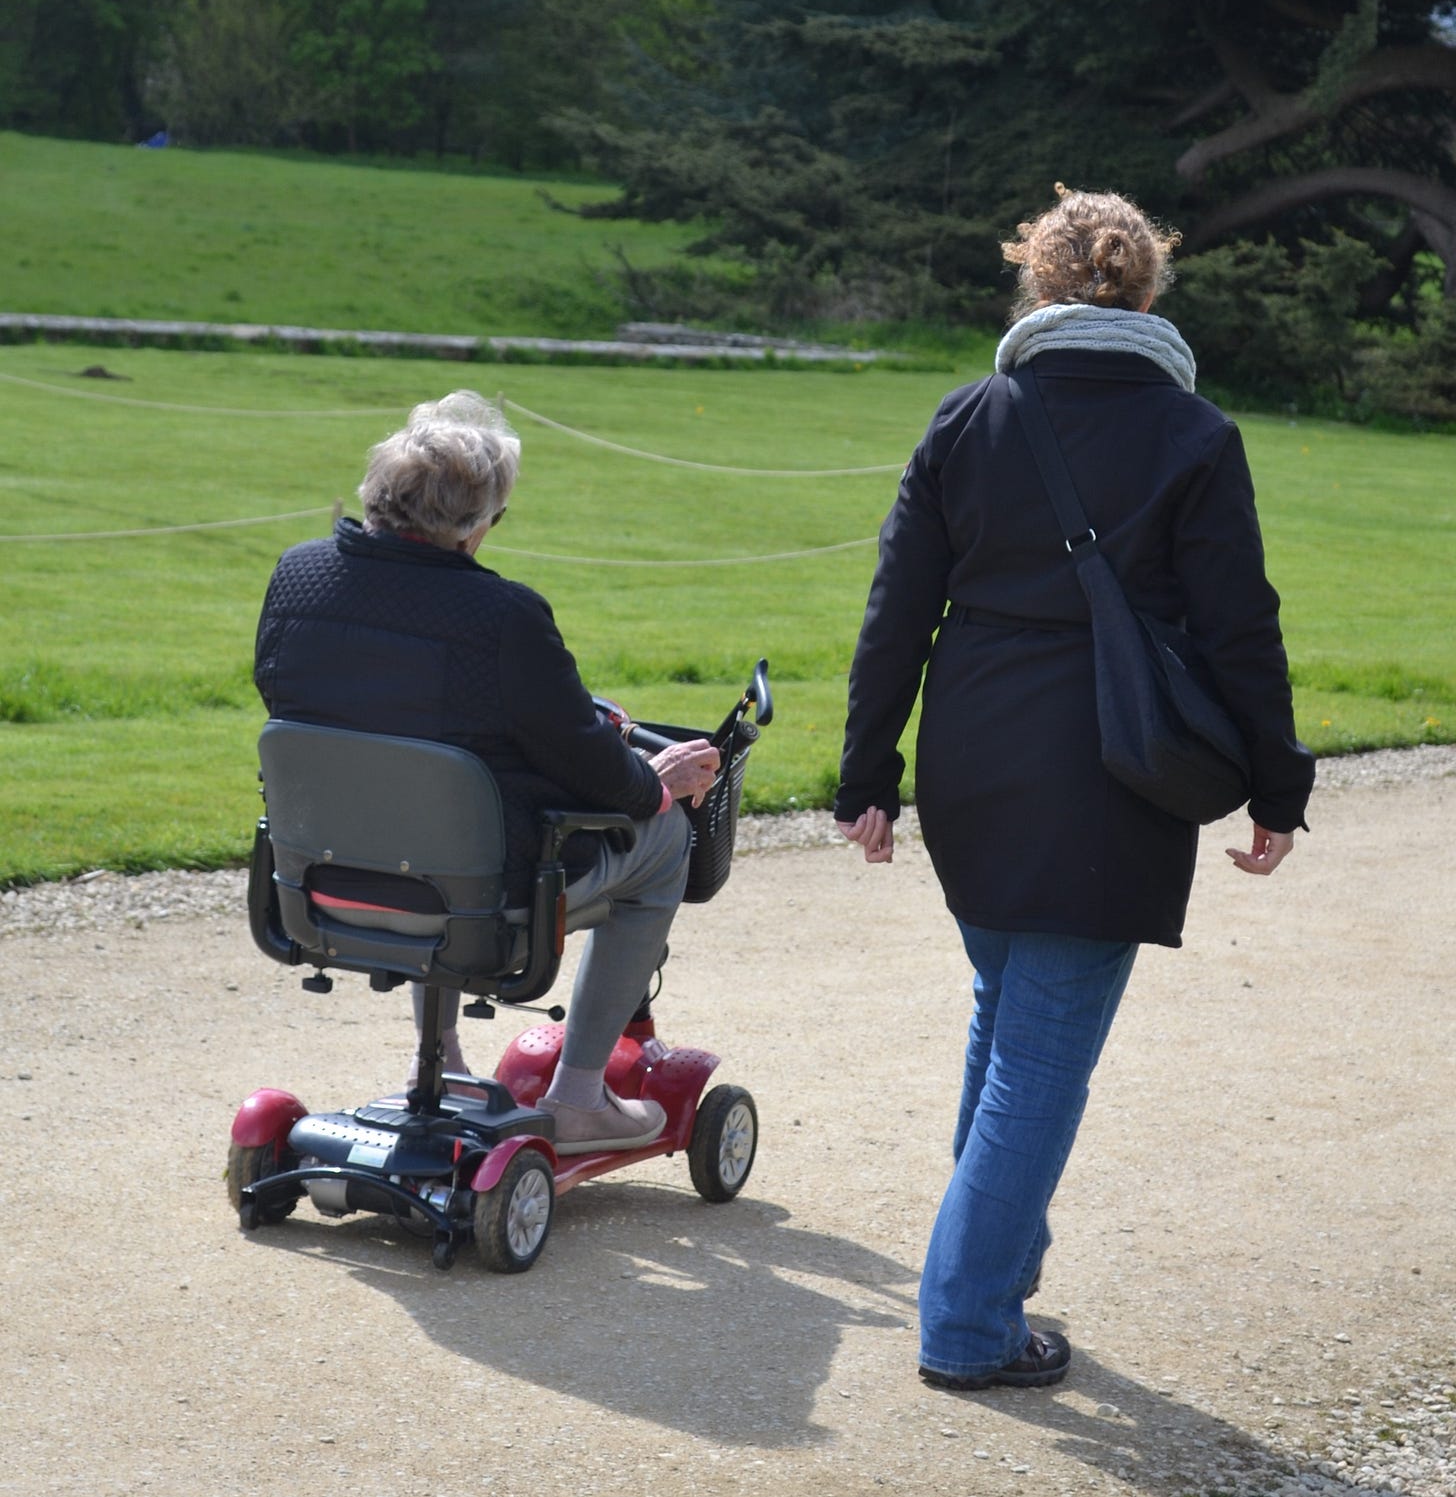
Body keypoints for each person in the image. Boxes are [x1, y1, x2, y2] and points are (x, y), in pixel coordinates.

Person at [834, 185, 1315, 1392]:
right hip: (1111, 770)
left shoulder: (966, 418)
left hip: (973, 759)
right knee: (1036, 1059)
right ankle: (968, 1324)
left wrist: (865, 774)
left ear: (1035, 288)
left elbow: (896, 616)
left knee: (1007, 1024)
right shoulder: (1196, 435)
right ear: (1146, 290)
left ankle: (992, 1277)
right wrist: (1276, 784)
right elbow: (1238, 630)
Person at [253, 391, 719, 1154]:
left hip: (319, 882)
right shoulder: (504, 616)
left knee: (421, 819)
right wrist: (655, 779)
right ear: (478, 525)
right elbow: (598, 773)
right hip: (476, 901)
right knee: (663, 836)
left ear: (378, 493)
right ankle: (576, 1094)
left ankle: (435, 1060)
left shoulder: (298, 578)